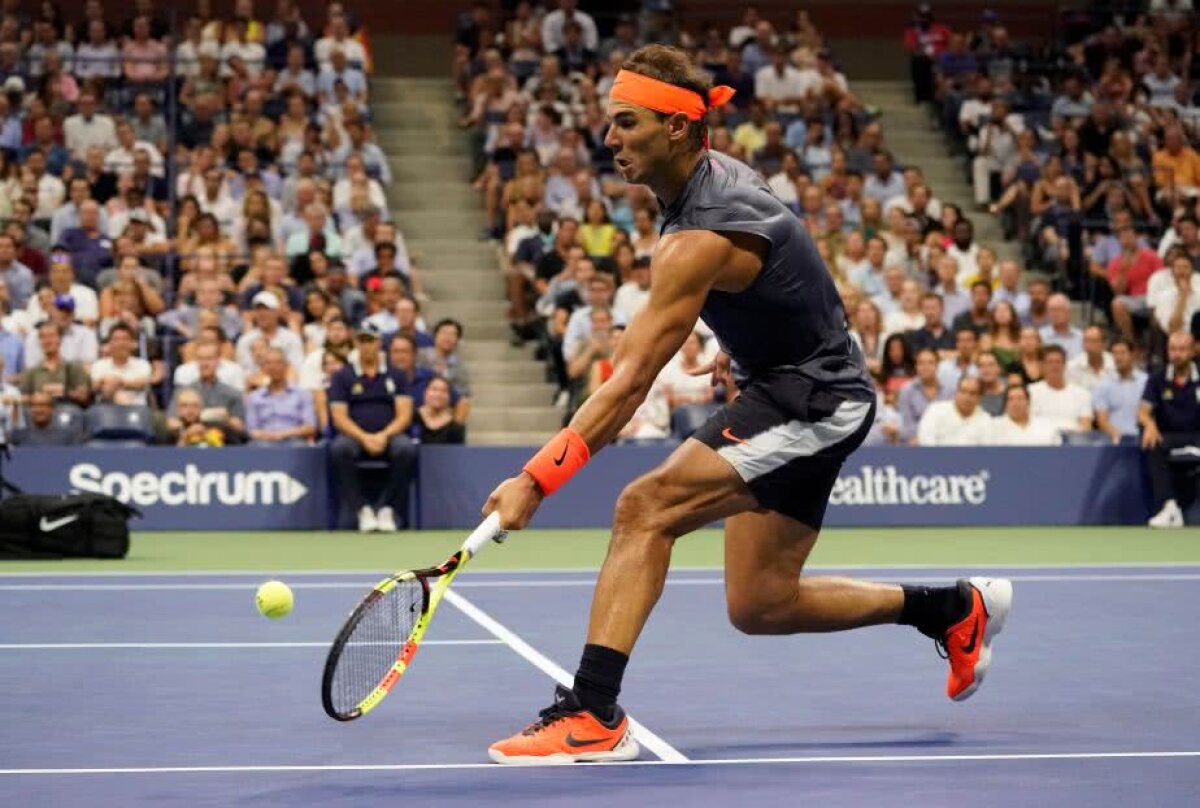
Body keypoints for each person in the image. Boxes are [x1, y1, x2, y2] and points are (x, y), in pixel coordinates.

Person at [481, 47, 1012, 764]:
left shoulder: (697, 234)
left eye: (625, 122)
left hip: (814, 397)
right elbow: (780, 270)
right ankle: (951, 608)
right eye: (608, 123)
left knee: (646, 508)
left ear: (676, 128)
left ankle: (592, 711)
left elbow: (630, 381)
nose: (607, 139)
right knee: (760, 605)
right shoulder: (711, 180)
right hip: (792, 381)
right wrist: (747, 344)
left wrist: (535, 479)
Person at [327, 323, 418, 533]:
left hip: (390, 434)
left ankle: (386, 508)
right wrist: (364, 437)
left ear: (379, 343)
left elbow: (404, 414)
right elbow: (339, 417)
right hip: (355, 436)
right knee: (340, 449)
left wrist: (383, 435)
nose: (366, 346)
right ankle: (363, 510)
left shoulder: (397, 375)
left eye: (371, 341)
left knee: (405, 449)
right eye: (362, 341)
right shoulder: (343, 376)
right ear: (356, 343)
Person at [1139, 331, 1200, 528]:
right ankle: (1169, 507)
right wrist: (1149, 424)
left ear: (1193, 351)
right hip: (1170, 436)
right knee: (1152, 443)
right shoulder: (1157, 378)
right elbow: (1143, 411)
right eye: (1172, 349)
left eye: (1182, 349)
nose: (1176, 354)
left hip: (1197, 435)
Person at [246, 347, 317, 445]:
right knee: (257, 446)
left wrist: (283, 434)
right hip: (265, 441)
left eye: (277, 363)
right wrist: (269, 436)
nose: (273, 367)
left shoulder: (302, 394)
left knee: (298, 445)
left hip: (293, 439)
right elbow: (251, 430)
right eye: (268, 363)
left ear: (286, 366)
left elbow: (310, 427)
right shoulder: (255, 397)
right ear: (263, 368)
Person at [1028, 345, 1092, 435]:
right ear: (1042, 365)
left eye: (1058, 362)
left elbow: (1086, 426)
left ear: (1065, 365)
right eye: (1050, 362)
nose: (1054, 366)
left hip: (1072, 444)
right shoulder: (1030, 392)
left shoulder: (1082, 394)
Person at [1093, 338, 1147, 444]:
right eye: (1115, 353)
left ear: (1132, 354)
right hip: (1114, 439)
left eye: (1123, 353)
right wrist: (1116, 436)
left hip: (1143, 438)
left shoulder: (1146, 382)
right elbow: (1102, 420)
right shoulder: (1103, 385)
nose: (1118, 358)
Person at [916, 375, 993, 446]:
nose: (966, 397)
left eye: (972, 393)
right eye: (963, 391)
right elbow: (926, 441)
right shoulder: (936, 410)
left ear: (979, 398)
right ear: (956, 392)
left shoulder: (986, 420)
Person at [988, 384, 1059, 446]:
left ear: (1028, 402)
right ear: (1005, 404)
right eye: (1011, 399)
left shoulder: (1044, 426)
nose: (1015, 404)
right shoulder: (994, 426)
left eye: (1020, 398)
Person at [10, 390, 80, 445]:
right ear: (29, 408)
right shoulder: (19, 434)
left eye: (43, 405)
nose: (38, 410)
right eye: (34, 405)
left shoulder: (66, 434)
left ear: (52, 409)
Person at [413, 375, 465, 444]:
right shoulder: (412, 418)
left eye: (444, 391)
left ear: (449, 397)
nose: (438, 394)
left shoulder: (455, 427)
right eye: (434, 389)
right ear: (425, 392)